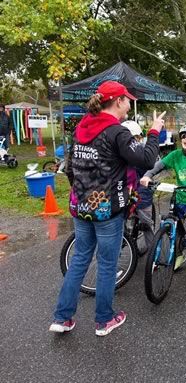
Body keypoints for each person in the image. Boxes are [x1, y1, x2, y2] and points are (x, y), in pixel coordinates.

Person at [50, 80, 163, 336]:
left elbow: (70, 167)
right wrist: (154, 132)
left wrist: (80, 193)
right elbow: (145, 159)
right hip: (107, 209)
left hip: (80, 205)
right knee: (107, 263)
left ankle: (62, 317)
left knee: (79, 259)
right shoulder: (117, 132)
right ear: (118, 101)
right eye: (127, 100)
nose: (129, 105)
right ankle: (104, 320)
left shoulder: (81, 128)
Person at [141, 124, 186, 274]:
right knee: (173, 219)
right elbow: (158, 166)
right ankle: (179, 253)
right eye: (183, 136)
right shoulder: (175, 155)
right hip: (182, 195)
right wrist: (148, 175)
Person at [121, 120, 155, 254]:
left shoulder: (133, 154)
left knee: (144, 225)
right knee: (146, 225)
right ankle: (154, 255)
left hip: (136, 196)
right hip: (136, 196)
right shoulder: (141, 153)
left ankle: (153, 254)